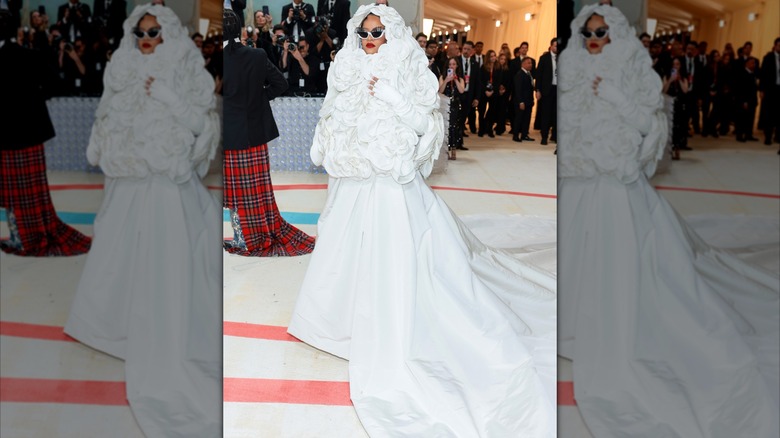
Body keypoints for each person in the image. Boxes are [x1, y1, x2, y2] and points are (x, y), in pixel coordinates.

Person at [287, 4, 556, 437]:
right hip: (351, 180)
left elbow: (425, 128)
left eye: (377, 33)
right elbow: (331, 114)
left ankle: (383, 326)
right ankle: (333, 324)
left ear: (392, 33)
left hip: (391, 185)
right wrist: (326, 138)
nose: (370, 40)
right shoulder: (347, 66)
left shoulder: (410, 69)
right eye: (364, 33)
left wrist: (394, 100)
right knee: (341, 244)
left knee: (394, 255)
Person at [557, 4, 779, 437]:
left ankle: (608, 327)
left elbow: (649, 122)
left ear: (615, 32)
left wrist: (615, 98)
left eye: (601, 31)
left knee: (624, 261)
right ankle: (571, 326)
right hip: (577, 181)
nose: (593, 39)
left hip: (617, 188)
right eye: (587, 33)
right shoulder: (572, 67)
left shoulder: (635, 70)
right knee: (573, 253)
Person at [63, 5, 222, 436]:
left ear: (168, 34)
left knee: (166, 259)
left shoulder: (185, 69)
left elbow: (200, 124)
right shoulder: (122, 68)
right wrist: (104, 138)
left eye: (153, 32)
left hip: (166, 186)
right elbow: (106, 118)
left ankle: (152, 328)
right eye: (140, 33)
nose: (146, 40)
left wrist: (169, 99)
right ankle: (107, 326)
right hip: (127, 179)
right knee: (116, 248)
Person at [222, 8, 315, 257]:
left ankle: (242, 237)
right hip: (254, 134)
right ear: (240, 29)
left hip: (227, 136)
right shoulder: (256, 54)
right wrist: (257, 101)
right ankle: (251, 236)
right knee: (255, 192)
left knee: (233, 190)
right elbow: (281, 84)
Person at [0, 9, 91, 256]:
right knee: (30, 191)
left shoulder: (25, 55)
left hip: (6, 135)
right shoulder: (30, 56)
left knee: (11, 190)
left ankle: (21, 238)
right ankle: (27, 236)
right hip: (29, 130)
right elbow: (55, 85)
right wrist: (30, 100)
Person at [439, 56, 465, 159]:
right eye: (450, 64)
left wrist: (455, 80)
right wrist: (446, 80)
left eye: (454, 64)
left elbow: (461, 91)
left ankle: (454, 149)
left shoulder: (460, 78)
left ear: (457, 66)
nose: (452, 66)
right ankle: (445, 150)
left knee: (454, 126)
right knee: (445, 127)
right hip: (445, 104)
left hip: (455, 105)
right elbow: (440, 91)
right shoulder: (442, 77)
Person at [535, 37, 558, 145]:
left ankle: (555, 136)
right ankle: (544, 136)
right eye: (555, 45)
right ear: (551, 46)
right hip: (547, 90)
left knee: (557, 114)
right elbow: (538, 75)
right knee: (546, 114)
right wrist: (537, 90)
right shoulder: (544, 58)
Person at [512, 56, 535, 142]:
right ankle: (515, 135)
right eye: (528, 63)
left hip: (528, 101)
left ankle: (524, 135)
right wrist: (521, 102)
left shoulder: (529, 74)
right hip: (521, 102)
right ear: (523, 64)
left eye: (531, 63)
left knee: (526, 119)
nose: (530, 65)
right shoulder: (519, 74)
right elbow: (518, 90)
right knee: (519, 118)